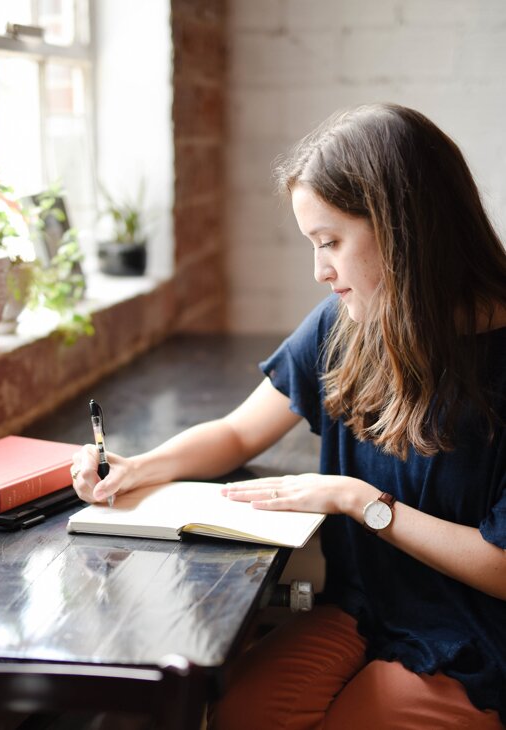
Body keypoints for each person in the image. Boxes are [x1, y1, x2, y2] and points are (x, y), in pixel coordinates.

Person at [71, 103, 506, 728]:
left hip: (477, 638)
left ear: (404, 226)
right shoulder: (344, 324)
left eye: (331, 242)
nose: (319, 269)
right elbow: (239, 431)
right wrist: (138, 468)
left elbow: (500, 566)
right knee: (235, 716)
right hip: (360, 610)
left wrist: (361, 500)